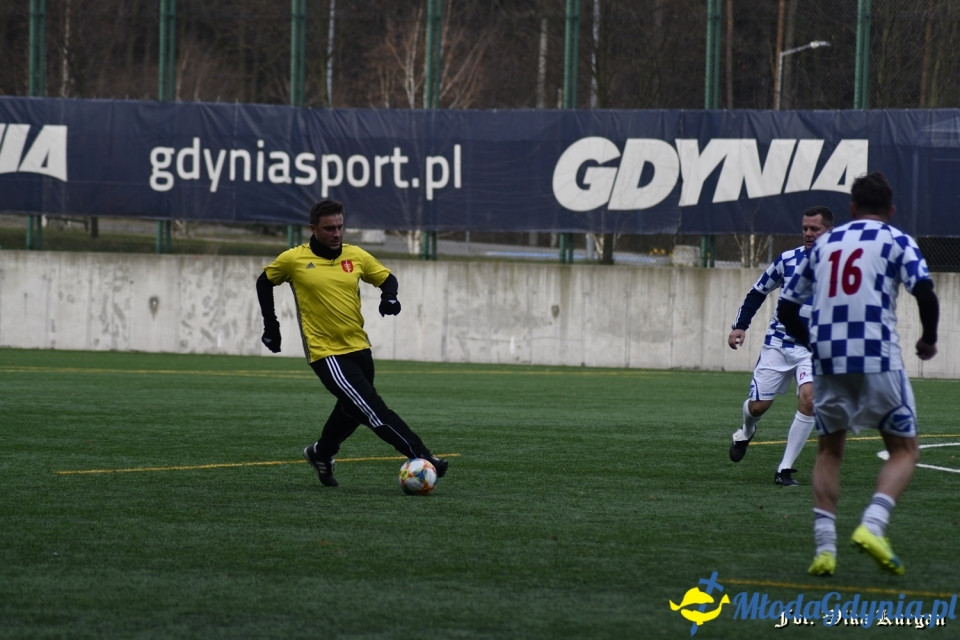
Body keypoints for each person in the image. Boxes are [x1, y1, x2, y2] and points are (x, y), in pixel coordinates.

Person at [778, 172, 939, 577]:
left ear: (851, 209)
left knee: (830, 451)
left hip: (830, 362)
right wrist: (928, 340)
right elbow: (924, 291)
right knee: (904, 450)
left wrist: (815, 344)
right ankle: (872, 525)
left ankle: (825, 550)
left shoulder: (825, 243)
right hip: (878, 357)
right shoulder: (898, 240)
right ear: (892, 210)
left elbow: (786, 309)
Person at [255, 199, 448, 487]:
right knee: (371, 409)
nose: (336, 233)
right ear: (313, 229)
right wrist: (272, 326)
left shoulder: (355, 255)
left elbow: (387, 278)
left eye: (340, 227)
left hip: (359, 348)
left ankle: (321, 452)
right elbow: (264, 281)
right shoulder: (294, 259)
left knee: (351, 409)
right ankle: (424, 456)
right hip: (326, 354)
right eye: (329, 228)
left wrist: (390, 297)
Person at [727, 206, 835, 486]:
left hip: (812, 348)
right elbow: (757, 292)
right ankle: (745, 432)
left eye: (815, 229)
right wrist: (740, 326)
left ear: (829, 231)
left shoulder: (842, 266)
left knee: (810, 400)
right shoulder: (787, 260)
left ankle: (784, 469)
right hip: (779, 344)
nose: (808, 234)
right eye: (805, 228)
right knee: (758, 408)